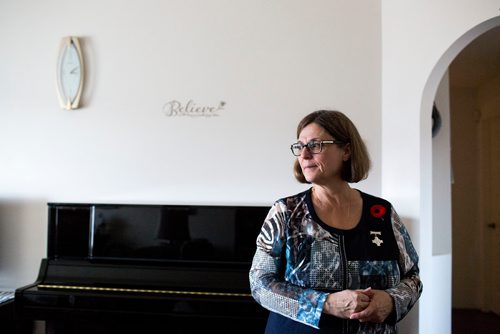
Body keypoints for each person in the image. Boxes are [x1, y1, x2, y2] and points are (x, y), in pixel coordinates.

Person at [249, 110, 422, 333]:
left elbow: (413, 277)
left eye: (315, 145)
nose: (304, 155)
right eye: (300, 146)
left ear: (346, 151)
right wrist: (324, 304)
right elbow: (259, 282)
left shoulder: (381, 213)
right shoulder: (286, 212)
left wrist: (391, 301)